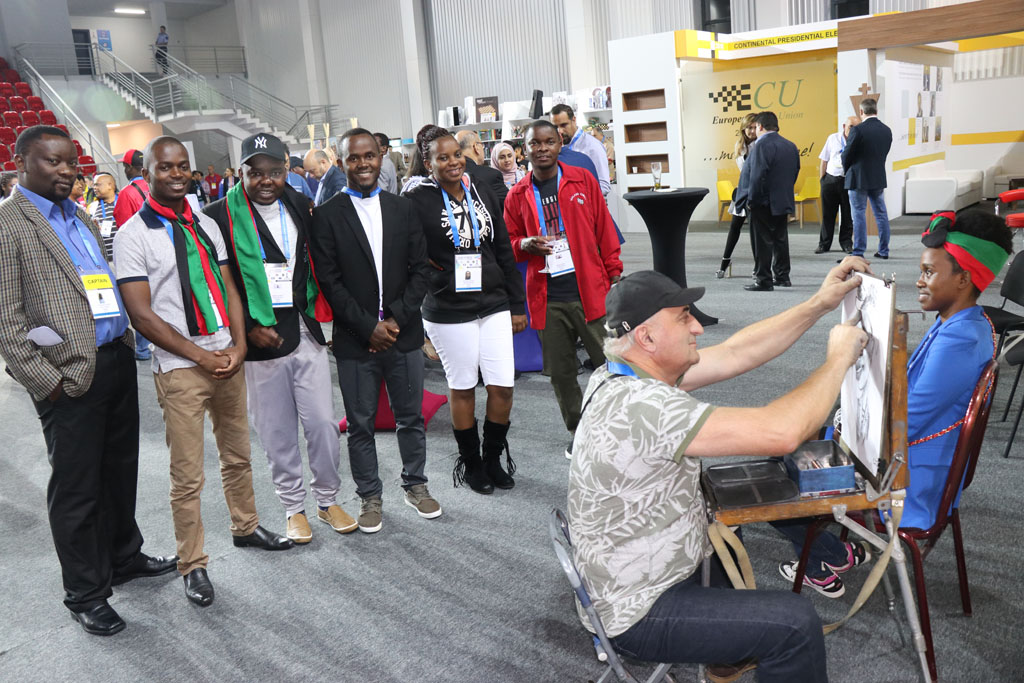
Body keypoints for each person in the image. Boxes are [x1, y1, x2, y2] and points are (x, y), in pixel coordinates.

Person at [568, 262, 869, 682]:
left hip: (636, 566)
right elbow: (781, 432)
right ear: (647, 336)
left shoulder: (619, 372)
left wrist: (818, 305)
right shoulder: (645, 408)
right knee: (794, 624)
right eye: (684, 317)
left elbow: (736, 352)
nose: (698, 328)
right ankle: (731, 653)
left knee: (728, 516)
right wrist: (838, 358)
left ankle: (723, 660)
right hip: (638, 609)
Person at [773, 209, 1012, 597]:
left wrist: (845, 421)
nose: (919, 280)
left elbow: (908, 420)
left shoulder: (961, 341)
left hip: (908, 478)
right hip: (909, 459)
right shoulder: (961, 323)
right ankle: (834, 551)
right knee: (804, 440)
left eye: (929, 272)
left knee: (782, 469)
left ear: (965, 279)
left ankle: (831, 554)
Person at [0, 126, 176, 636]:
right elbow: (6, 320)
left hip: (115, 361)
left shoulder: (76, 214)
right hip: (66, 376)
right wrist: (44, 381)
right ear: (20, 162)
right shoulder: (9, 225)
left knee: (119, 473)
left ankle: (124, 557)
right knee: (76, 490)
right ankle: (85, 593)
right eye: (51, 162)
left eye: (70, 162)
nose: (65, 171)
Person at [114, 136, 293, 608]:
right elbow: (142, 315)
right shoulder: (133, 235)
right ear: (147, 172)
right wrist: (201, 356)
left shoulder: (206, 225)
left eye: (183, 167)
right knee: (187, 474)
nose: (176, 174)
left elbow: (231, 288)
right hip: (180, 369)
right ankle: (192, 563)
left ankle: (246, 526)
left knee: (238, 455)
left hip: (226, 359)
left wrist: (236, 344)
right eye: (165, 167)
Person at [204, 133, 353, 543]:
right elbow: (216, 283)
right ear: (241, 173)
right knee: (277, 431)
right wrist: (246, 329)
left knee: (323, 423)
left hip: (305, 328)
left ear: (287, 171)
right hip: (260, 340)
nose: (266, 180)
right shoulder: (217, 216)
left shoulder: (300, 205)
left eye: (275, 171)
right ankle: (293, 507)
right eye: (257, 173)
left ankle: (328, 500)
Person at [308, 127, 438, 533]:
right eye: (353, 157)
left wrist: (396, 319)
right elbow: (330, 281)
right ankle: (369, 495)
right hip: (355, 339)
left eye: (369, 156)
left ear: (380, 157)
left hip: (403, 334)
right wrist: (369, 327)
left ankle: (415, 484)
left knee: (410, 418)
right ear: (341, 161)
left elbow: (421, 270)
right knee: (361, 424)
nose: (363, 164)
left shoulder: (403, 209)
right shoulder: (327, 216)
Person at [405, 124, 526, 494]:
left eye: (457, 154)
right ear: (429, 164)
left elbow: (502, 247)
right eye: (444, 158)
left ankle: (492, 458)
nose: (454, 162)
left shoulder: (482, 190)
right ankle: (471, 464)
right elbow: (410, 256)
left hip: (493, 303)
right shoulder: (417, 201)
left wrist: (517, 303)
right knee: (463, 387)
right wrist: (433, 276)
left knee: (503, 386)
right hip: (448, 308)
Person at [504, 120, 623, 458]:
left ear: (559, 145)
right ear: (523, 150)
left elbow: (604, 228)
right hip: (547, 297)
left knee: (612, 366)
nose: (542, 148)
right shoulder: (516, 195)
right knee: (561, 375)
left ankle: (617, 428)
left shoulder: (581, 179)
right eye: (534, 144)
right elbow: (507, 243)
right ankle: (580, 431)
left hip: (590, 292)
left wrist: (614, 271)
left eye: (549, 141)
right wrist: (524, 243)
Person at [742, 111, 800, 292]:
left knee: (761, 241)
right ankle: (783, 277)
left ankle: (763, 280)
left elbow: (757, 175)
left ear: (760, 126)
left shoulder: (760, 146)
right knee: (780, 239)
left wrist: (752, 199)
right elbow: (795, 172)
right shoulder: (790, 145)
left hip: (763, 201)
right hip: (782, 199)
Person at [112, 148, 153, 361]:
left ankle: (143, 349)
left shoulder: (127, 193)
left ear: (129, 167)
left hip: (139, 255)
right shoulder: (155, 186)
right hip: (163, 250)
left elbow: (123, 228)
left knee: (141, 303)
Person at [842, 98, 892, 260]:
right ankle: (884, 250)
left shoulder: (858, 130)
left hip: (858, 178)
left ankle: (859, 251)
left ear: (861, 112)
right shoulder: (886, 130)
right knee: (881, 214)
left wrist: (847, 168)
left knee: (858, 214)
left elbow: (847, 155)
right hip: (877, 176)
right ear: (876, 111)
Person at [717, 114, 757, 278]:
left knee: (755, 232)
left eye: (755, 127)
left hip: (755, 192)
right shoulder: (739, 146)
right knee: (735, 227)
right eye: (749, 127)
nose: (752, 131)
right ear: (743, 128)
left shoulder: (760, 144)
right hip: (742, 191)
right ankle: (724, 263)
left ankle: (758, 268)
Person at [816, 117, 857, 255]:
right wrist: (822, 180)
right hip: (830, 180)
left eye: (856, 127)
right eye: (851, 126)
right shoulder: (833, 138)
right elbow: (824, 160)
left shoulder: (858, 141)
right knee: (828, 214)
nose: (853, 129)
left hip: (848, 181)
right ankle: (824, 244)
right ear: (844, 126)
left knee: (847, 215)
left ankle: (846, 244)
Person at [550, 104, 611, 196]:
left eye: (564, 125)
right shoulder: (557, 147)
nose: (560, 131)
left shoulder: (593, 146)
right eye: (556, 127)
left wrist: (579, 198)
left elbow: (604, 186)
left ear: (573, 120)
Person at [455, 130, 508, 205]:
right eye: (481, 144)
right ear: (476, 147)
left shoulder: (450, 176)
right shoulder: (491, 176)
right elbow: (508, 205)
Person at [87, 171, 118, 260]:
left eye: (97, 185)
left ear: (110, 185)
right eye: (94, 185)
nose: (94, 188)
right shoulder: (92, 207)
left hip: (126, 256)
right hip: (106, 259)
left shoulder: (123, 201)